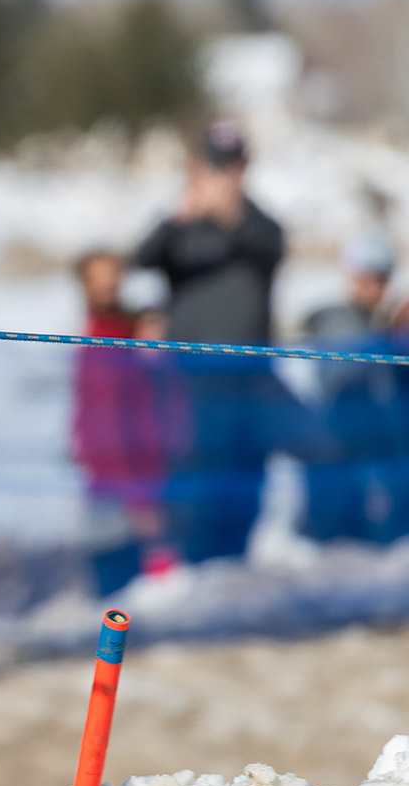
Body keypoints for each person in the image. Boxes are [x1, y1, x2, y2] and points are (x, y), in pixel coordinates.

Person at [131, 123, 300, 564]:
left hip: (250, 379)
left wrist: (230, 214)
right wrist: (177, 216)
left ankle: (239, 559)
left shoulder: (258, 224)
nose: (224, 176)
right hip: (191, 380)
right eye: (215, 166)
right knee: (195, 479)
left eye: (232, 166)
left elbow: (271, 247)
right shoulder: (181, 227)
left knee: (250, 475)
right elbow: (140, 259)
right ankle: (191, 564)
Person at [69, 251, 173, 595]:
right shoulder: (93, 335)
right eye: (97, 277)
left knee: (152, 572)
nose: (108, 285)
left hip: (145, 464)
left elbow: (157, 397)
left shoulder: (133, 333)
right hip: (106, 470)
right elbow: (93, 406)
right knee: (113, 574)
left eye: (113, 275)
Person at [299, 232, 409, 544]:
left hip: (377, 448)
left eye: (381, 278)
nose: (375, 287)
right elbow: (347, 375)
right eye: (367, 278)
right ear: (352, 277)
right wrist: (391, 342)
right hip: (347, 448)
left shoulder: (378, 322)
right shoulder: (341, 323)